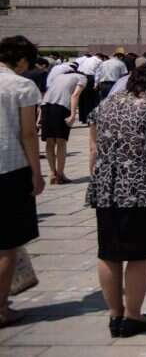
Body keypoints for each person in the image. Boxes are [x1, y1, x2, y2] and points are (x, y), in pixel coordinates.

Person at [87, 63, 146, 338]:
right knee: (140, 254)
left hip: (106, 186)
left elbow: (93, 147)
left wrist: (97, 177)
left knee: (109, 253)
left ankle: (114, 314)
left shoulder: (106, 103)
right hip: (142, 186)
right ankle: (133, 316)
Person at [0, 36, 45, 328]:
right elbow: (28, 133)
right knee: (7, 243)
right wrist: (36, 172)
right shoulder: (21, 85)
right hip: (10, 169)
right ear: (22, 60)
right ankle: (1, 307)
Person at [40, 67, 86, 184]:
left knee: (50, 141)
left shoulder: (58, 77)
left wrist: (39, 117)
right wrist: (73, 114)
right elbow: (75, 95)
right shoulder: (82, 77)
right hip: (61, 107)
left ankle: (52, 173)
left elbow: (47, 94)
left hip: (46, 107)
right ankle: (60, 174)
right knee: (61, 141)